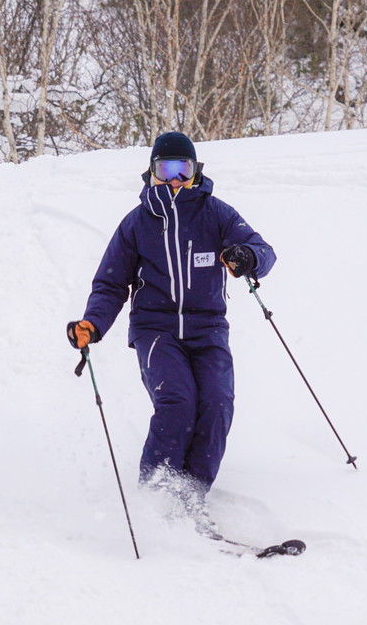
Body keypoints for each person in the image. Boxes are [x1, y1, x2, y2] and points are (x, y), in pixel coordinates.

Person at [67, 131, 275, 527]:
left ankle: (192, 494)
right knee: (178, 402)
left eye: (185, 169)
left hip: (208, 327)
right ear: (152, 173)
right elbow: (111, 283)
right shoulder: (137, 223)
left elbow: (264, 251)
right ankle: (158, 496)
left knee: (216, 404)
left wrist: (246, 256)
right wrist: (92, 324)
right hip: (155, 330)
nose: (176, 179)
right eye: (168, 169)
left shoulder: (217, 214)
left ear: (196, 173)